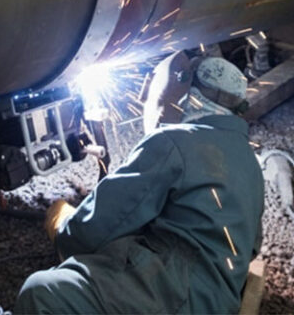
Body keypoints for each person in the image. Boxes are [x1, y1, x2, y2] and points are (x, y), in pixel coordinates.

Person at [15, 52, 265, 314]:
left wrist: (64, 225)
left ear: (185, 92)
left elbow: (103, 224)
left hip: (176, 297)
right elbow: (251, 247)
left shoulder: (174, 141)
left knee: (42, 292)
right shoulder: (249, 161)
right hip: (220, 301)